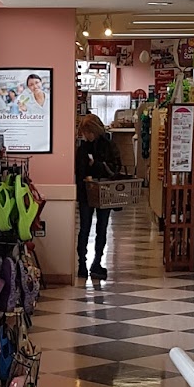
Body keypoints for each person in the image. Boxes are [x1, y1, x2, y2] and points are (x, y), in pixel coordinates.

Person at [75, 111, 122, 281]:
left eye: (87, 132)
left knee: (92, 228)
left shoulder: (103, 146)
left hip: (95, 192)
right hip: (100, 192)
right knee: (94, 228)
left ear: (93, 130)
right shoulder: (95, 147)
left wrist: (95, 166)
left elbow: (114, 169)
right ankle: (87, 263)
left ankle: (92, 263)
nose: (85, 136)